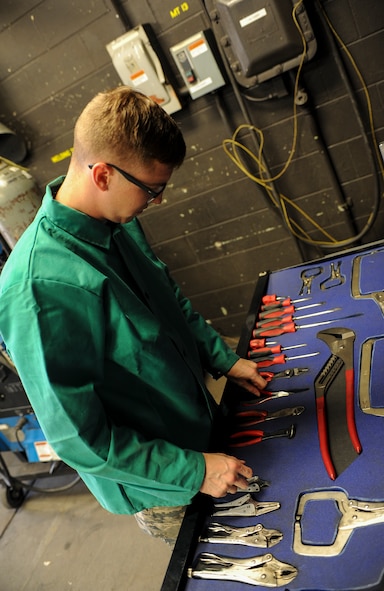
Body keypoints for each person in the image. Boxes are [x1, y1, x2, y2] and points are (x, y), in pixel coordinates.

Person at [0, 86, 267, 545]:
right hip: (163, 484)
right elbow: (80, 439)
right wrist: (192, 469)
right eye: (153, 189)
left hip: (200, 430)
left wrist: (221, 357)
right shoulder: (38, 290)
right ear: (102, 174)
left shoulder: (115, 217)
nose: (158, 201)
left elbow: (167, 298)